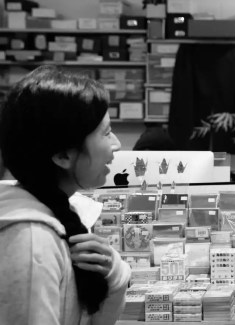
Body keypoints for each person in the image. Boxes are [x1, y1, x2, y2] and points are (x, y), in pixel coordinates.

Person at [0, 66, 131, 324]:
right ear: (63, 156)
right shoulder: (32, 241)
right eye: (105, 133)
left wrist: (114, 274)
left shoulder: (61, 213)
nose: (116, 144)